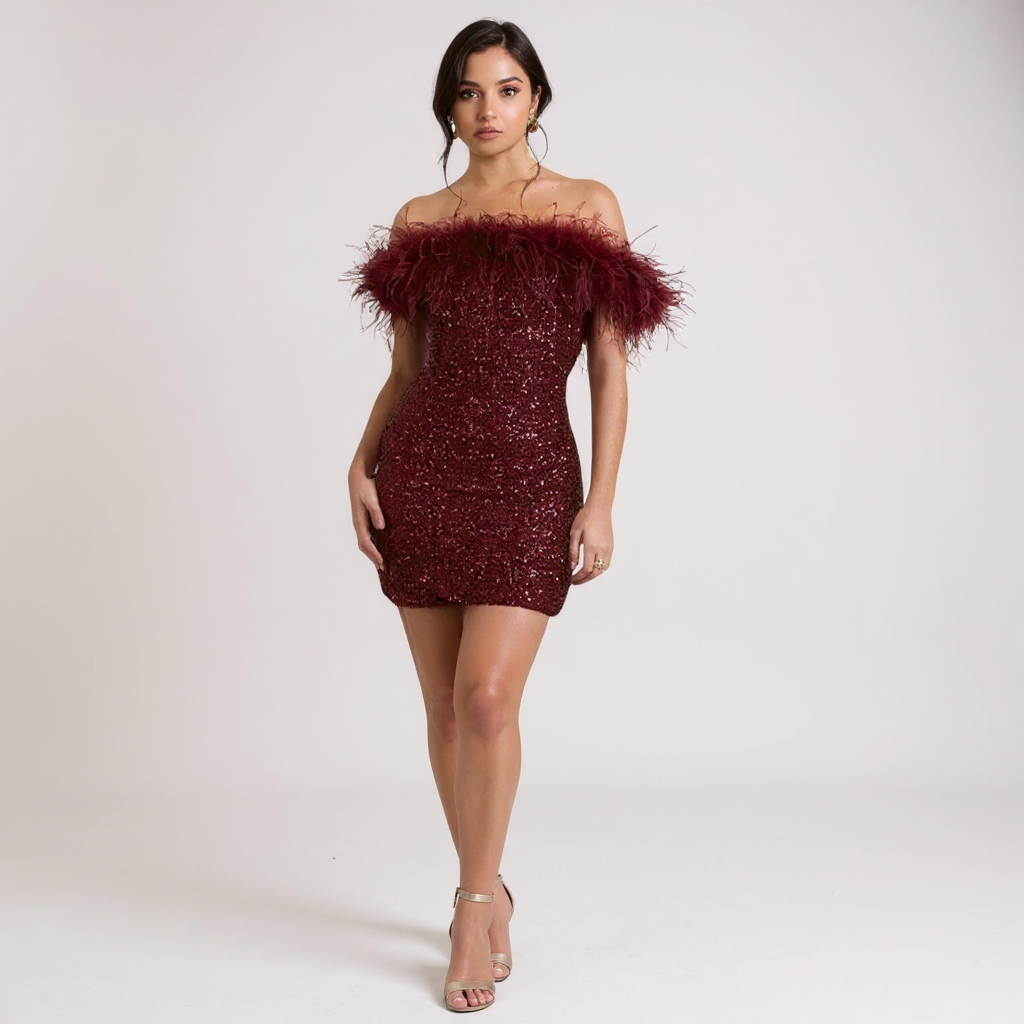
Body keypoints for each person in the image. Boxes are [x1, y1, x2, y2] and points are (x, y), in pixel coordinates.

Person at [343, 18, 688, 1013]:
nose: (486, 109)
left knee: (489, 697)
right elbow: (406, 371)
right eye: (467, 91)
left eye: (505, 89)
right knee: (446, 710)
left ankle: (469, 905)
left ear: (535, 99)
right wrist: (359, 462)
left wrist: (601, 500)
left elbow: (610, 368)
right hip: (423, 472)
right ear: (447, 107)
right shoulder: (421, 219)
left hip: (533, 476)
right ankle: (487, 888)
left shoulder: (586, 205)